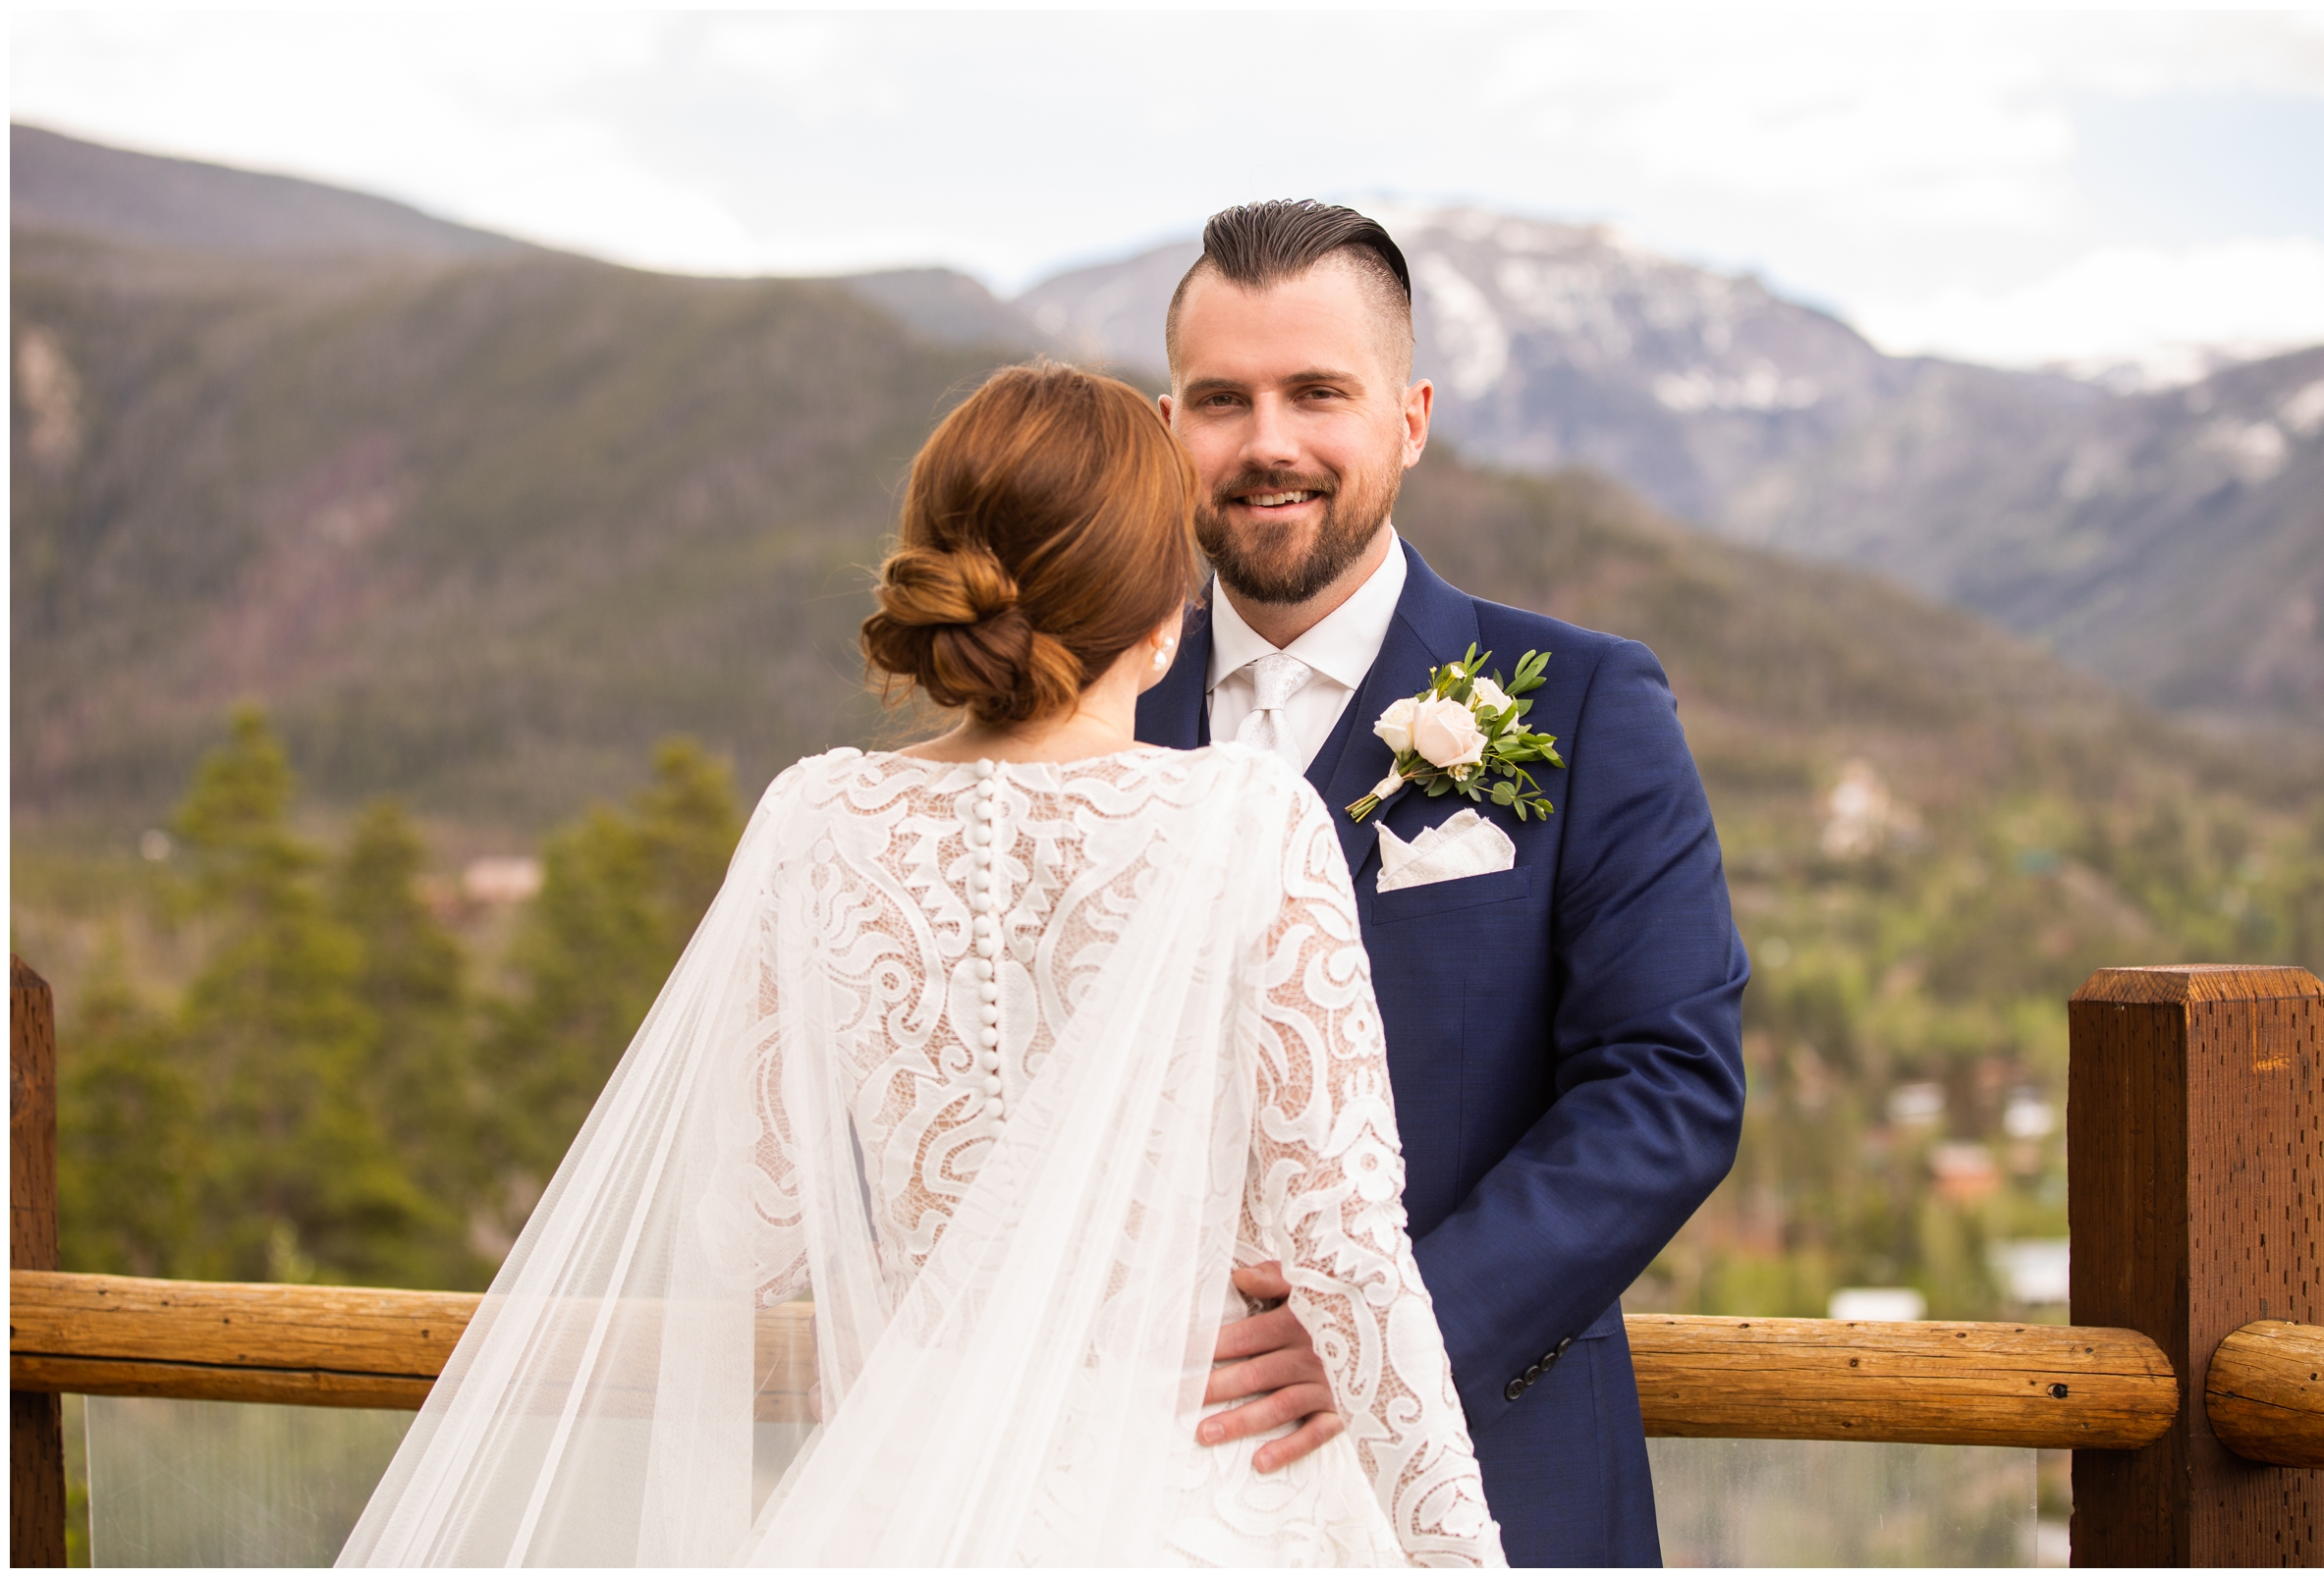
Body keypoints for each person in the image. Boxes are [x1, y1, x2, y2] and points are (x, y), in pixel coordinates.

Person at [339, 363, 1506, 1567]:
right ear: (1167, 614)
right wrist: (1464, 1557)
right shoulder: (1247, 821)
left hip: (904, 1500)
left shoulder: (821, 818)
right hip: (1204, 1497)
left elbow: (753, 1230)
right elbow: (1352, 1256)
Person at [1137, 200, 1748, 1567]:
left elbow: (1668, 1081)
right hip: (1145, 1472)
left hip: (1496, 1462)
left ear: (1409, 416)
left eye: (1318, 392)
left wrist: (1391, 1329)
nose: (1270, 440)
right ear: (1167, 423)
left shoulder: (1591, 700)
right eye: (1223, 398)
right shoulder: (1094, 709)